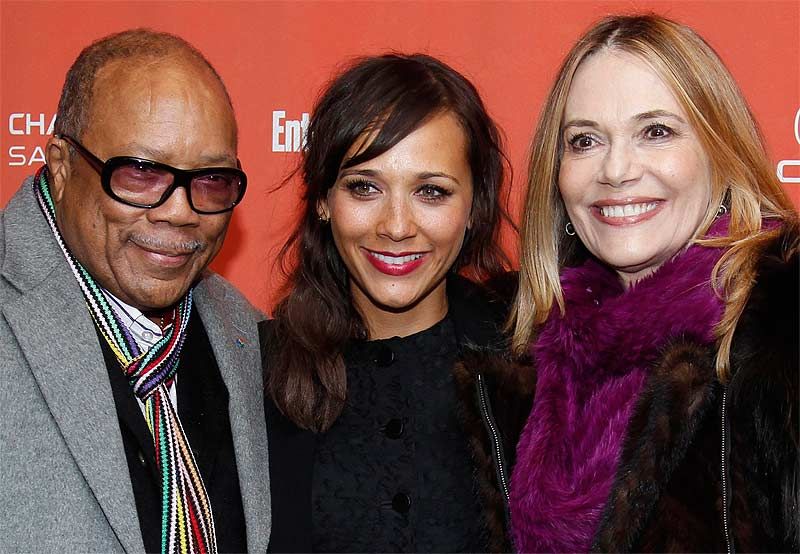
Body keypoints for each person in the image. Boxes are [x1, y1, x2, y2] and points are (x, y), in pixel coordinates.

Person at [459, 14, 798, 553]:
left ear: (721, 150)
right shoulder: (518, 340)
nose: (616, 170)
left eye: (656, 132)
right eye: (586, 140)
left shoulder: (783, 330)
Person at [0, 30, 270, 553]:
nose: (179, 210)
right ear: (60, 164)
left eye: (212, 179)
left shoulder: (243, 330)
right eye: (141, 172)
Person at [260, 53, 518, 552]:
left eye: (431, 192)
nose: (396, 226)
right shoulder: (255, 374)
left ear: (474, 207)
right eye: (364, 187)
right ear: (322, 200)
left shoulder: (532, 365)